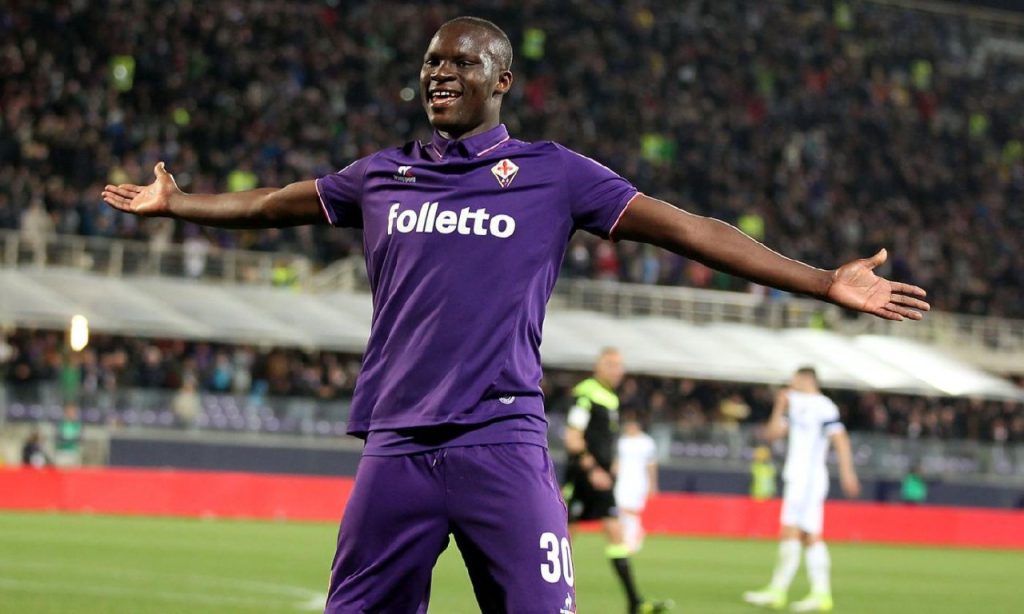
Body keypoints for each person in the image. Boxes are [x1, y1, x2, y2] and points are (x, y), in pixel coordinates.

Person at [101, 16, 928, 614]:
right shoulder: (382, 175)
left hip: (501, 442)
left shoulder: (553, 175)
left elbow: (690, 230)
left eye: (462, 62)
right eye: (432, 62)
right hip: (396, 446)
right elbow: (272, 205)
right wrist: (181, 204)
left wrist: (822, 280)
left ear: (502, 81)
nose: (440, 73)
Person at [743, 367, 861, 612]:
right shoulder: (793, 403)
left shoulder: (824, 406)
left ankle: (795, 592)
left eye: (795, 378)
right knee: (801, 534)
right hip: (796, 476)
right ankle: (797, 592)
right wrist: (779, 406)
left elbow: (840, 439)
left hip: (809, 478)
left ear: (807, 379)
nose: (791, 382)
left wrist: (847, 472)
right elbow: (772, 434)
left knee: (801, 533)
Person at [563, 350, 669, 612]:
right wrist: (593, 469)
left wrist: (610, 465)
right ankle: (540, 597)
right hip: (583, 477)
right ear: (597, 366)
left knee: (615, 533)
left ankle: (634, 602)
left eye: (619, 365)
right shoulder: (586, 394)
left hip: (602, 479)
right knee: (562, 537)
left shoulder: (610, 397)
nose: (616, 370)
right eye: (610, 364)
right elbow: (573, 438)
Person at [614, 411, 659, 554]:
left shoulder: (646, 442)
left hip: (638, 480)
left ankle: (632, 538)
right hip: (622, 480)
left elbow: (651, 464)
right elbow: (617, 462)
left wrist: (653, 484)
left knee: (632, 509)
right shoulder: (622, 441)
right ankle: (631, 534)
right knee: (620, 508)